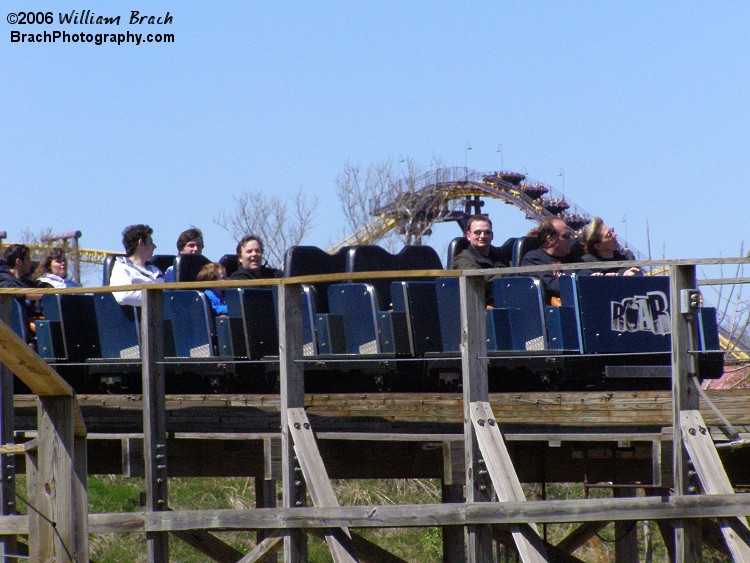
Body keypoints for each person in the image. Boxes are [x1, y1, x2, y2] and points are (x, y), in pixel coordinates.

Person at [521, 216, 581, 299]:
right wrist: (580, 283)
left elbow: (585, 273)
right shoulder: (533, 260)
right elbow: (553, 286)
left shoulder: (574, 260)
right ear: (550, 239)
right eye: (565, 236)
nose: (570, 239)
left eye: (570, 235)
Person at [109, 224, 164, 306]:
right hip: (140, 317)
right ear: (141, 243)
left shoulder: (155, 269)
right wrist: (158, 298)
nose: (154, 246)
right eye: (150, 242)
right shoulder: (122, 268)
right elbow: (123, 296)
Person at [0, 243, 43, 318]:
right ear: (18, 262)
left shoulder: (27, 283)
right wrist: (45, 295)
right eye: (28, 259)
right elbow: (18, 293)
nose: (30, 262)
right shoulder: (3, 279)